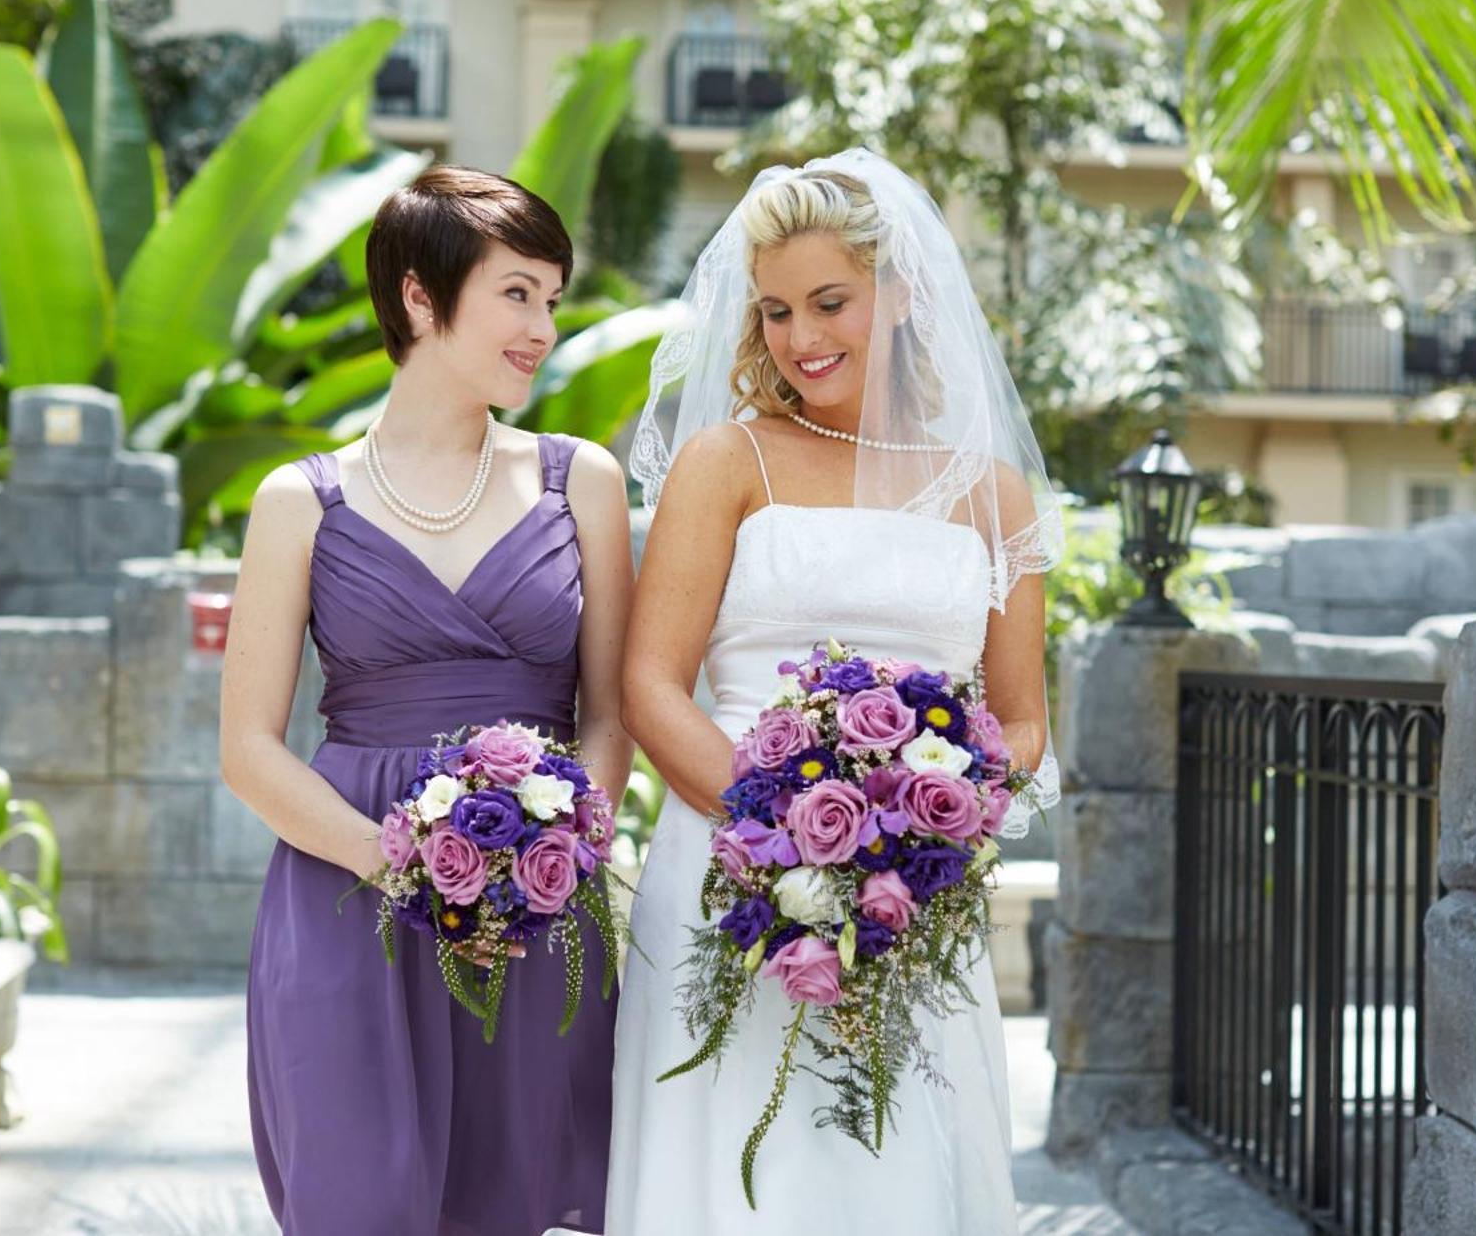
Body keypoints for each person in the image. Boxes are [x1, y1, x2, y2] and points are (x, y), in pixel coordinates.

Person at [605, 149, 1064, 1234]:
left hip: (912, 897)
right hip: (723, 872)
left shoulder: (992, 493)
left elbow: (1024, 713)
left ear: (900, 295)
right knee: (725, 1171)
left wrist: (910, 839)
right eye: (773, 311)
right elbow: (648, 684)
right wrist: (791, 840)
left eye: (829, 302)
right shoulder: (724, 461)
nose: (800, 338)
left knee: (894, 1162)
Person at [218, 166, 633, 1235]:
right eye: (516, 294)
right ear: (417, 295)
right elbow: (249, 750)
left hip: (536, 903)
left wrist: (548, 858)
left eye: (551, 296)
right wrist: (404, 868)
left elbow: (608, 710)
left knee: (524, 1191)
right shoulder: (296, 502)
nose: (542, 326)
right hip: (347, 902)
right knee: (357, 1195)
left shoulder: (579, 477)